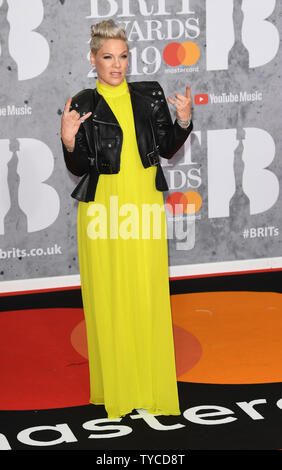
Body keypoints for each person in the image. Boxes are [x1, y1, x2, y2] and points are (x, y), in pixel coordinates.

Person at [61, 19, 192, 420]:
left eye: (122, 57)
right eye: (107, 58)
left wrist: (183, 121)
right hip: (104, 209)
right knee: (111, 294)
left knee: (146, 290)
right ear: (93, 59)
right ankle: (117, 387)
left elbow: (167, 148)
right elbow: (81, 165)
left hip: (144, 202)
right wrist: (68, 141)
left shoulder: (149, 95)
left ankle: (149, 384)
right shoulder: (82, 103)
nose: (116, 66)